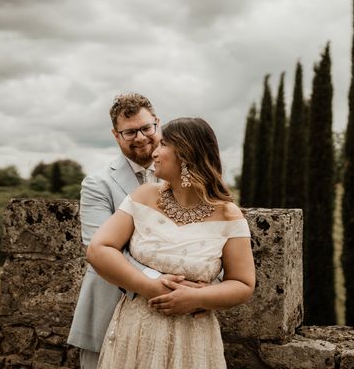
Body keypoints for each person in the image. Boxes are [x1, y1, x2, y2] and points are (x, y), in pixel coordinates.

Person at [87, 117, 255, 368]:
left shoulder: (228, 215)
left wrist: (200, 298)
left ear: (185, 154)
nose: (154, 151)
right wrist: (149, 287)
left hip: (193, 340)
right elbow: (98, 249)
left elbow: (243, 284)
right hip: (136, 332)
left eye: (163, 144)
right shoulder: (143, 197)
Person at [68, 93, 186, 368]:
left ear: (158, 123)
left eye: (146, 128)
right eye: (130, 132)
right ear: (116, 134)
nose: (141, 137)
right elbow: (98, 248)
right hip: (109, 313)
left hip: (174, 319)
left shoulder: (185, 176)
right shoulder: (97, 184)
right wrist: (164, 283)